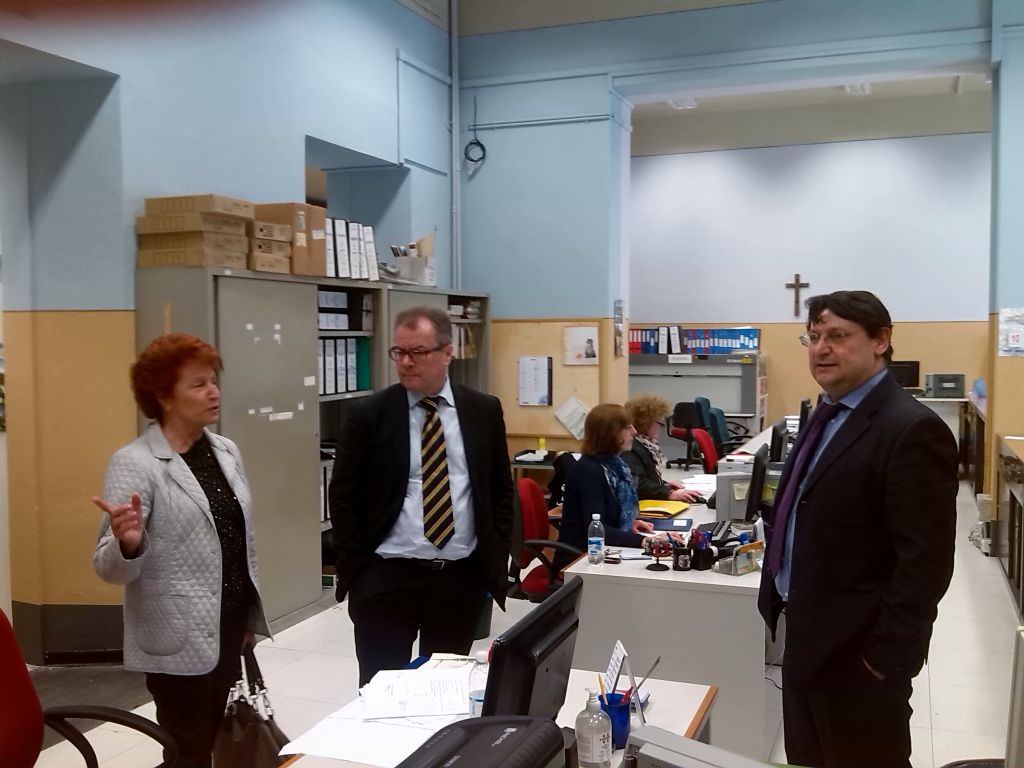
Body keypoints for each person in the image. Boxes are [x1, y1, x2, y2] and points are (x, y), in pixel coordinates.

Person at [757, 291, 957, 768]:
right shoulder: (825, 414)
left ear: (880, 340)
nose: (821, 349)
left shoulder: (911, 430)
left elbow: (925, 565)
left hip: (859, 658)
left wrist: (881, 660)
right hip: (805, 635)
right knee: (807, 757)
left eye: (838, 336)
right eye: (813, 337)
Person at [92, 333, 268, 768]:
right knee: (187, 750)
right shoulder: (134, 463)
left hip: (229, 624)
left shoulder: (226, 451)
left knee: (211, 737)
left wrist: (248, 615)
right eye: (198, 384)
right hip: (175, 638)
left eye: (214, 381)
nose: (214, 392)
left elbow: (238, 539)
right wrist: (128, 543)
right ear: (164, 397)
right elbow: (107, 567)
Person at [330, 305, 513, 687]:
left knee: (443, 691)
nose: (406, 362)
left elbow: (499, 489)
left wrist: (493, 556)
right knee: (382, 691)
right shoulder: (368, 415)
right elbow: (344, 496)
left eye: (418, 352)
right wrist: (359, 572)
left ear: (447, 352)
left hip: (458, 578)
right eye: (399, 352)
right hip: (386, 577)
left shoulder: (482, 410)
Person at [554, 403, 656, 564]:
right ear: (610, 433)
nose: (634, 431)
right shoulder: (589, 471)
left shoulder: (614, 467)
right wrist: (644, 541)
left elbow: (605, 515)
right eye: (628, 427)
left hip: (601, 552)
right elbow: (596, 528)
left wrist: (630, 523)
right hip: (578, 559)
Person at [623, 394, 703, 502]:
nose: (661, 427)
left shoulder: (644, 444)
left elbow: (647, 478)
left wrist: (664, 485)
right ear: (645, 422)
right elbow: (637, 483)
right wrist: (668, 493)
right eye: (659, 422)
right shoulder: (631, 447)